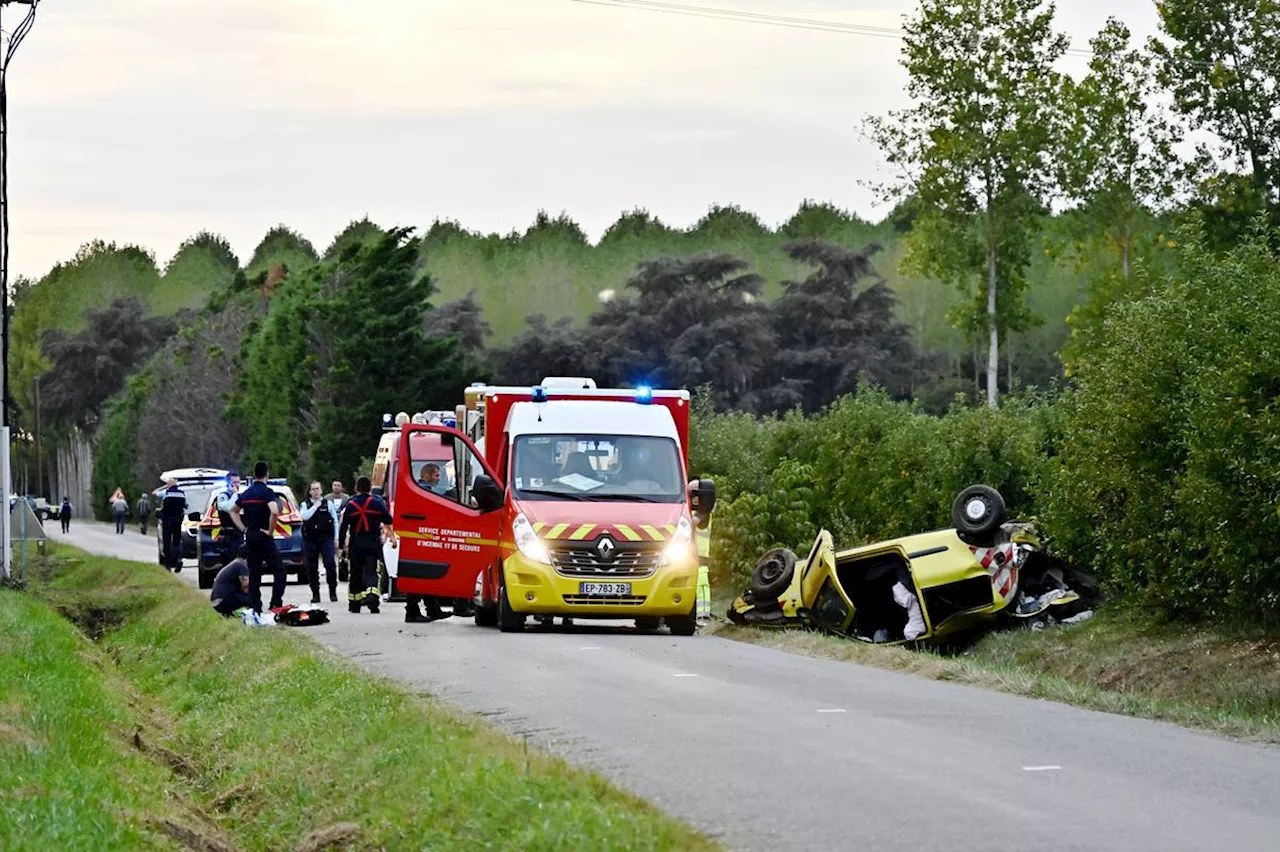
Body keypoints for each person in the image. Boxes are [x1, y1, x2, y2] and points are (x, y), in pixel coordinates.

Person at [229, 461, 286, 613]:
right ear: (267, 473)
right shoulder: (267, 492)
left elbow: (232, 510)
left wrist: (243, 529)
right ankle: (275, 603)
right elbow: (274, 511)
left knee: (255, 573)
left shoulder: (247, 493)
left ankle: (255, 606)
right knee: (279, 570)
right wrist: (270, 530)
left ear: (254, 474)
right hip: (264, 536)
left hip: (251, 536)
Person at [339, 476, 391, 615]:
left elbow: (343, 527)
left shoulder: (350, 505)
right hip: (372, 543)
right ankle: (373, 599)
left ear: (356, 488)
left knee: (355, 574)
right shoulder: (377, 503)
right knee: (372, 571)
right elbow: (388, 519)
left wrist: (341, 546)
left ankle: (354, 604)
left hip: (356, 544)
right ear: (370, 488)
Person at [300, 480, 339, 604]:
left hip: (326, 538)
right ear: (310, 491)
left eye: (318, 489)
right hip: (310, 539)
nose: (316, 491)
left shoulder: (328, 504)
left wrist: (336, 538)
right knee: (311, 567)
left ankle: (332, 591)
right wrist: (315, 506)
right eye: (313, 489)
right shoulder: (305, 504)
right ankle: (315, 594)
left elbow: (335, 521)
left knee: (330, 564)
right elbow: (304, 516)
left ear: (321, 490)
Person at [210, 544, 253, 617]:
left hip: (217, 601)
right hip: (222, 601)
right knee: (253, 600)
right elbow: (245, 587)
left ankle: (229, 612)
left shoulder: (235, 563)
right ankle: (241, 613)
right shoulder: (242, 566)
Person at [213, 473, 243, 563]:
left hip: (239, 534)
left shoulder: (239, 496)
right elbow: (229, 508)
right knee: (229, 562)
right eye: (234, 482)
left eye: (238, 482)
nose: (237, 485)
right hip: (228, 535)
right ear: (228, 483)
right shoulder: (223, 496)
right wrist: (234, 494)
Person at [160, 478, 188, 571]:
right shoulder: (182, 494)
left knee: (167, 542)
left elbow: (154, 492)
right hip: (178, 521)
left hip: (167, 521)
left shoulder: (165, 493)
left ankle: (168, 564)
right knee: (177, 541)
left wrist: (164, 487)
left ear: (169, 485)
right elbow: (186, 505)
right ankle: (178, 559)